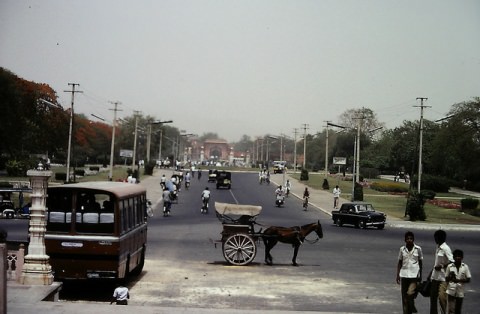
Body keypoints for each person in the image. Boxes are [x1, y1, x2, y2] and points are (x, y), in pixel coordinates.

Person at [396, 231, 423, 314]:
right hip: (404, 275)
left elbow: (420, 263)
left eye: (411, 238)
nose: (409, 240)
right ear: (405, 240)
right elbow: (400, 262)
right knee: (404, 298)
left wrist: (420, 275)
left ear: (413, 239)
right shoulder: (402, 249)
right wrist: (397, 275)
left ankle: (412, 305)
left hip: (414, 276)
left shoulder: (418, 249)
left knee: (410, 294)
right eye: (407, 238)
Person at [430, 229, 454, 314]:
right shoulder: (438, 247)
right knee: (432, 298)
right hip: (435, 277)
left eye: (436, 238)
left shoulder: (446, 248)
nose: (435, 239)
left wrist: (442, 266)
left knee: (442, 298)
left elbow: (452, 261)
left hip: (443, 278)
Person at [446, 249, 471, 314]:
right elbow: (446, 279)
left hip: (460, 292)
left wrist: (458, 280)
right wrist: (450, 276)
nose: (457, 258)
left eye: (459, 256)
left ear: (462, 257)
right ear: (453, 257)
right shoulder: (449, 266)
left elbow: (468, 279)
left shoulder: (465, 267)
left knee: (458, 311)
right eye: (456, 256)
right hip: (451, 291)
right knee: (451, 310)